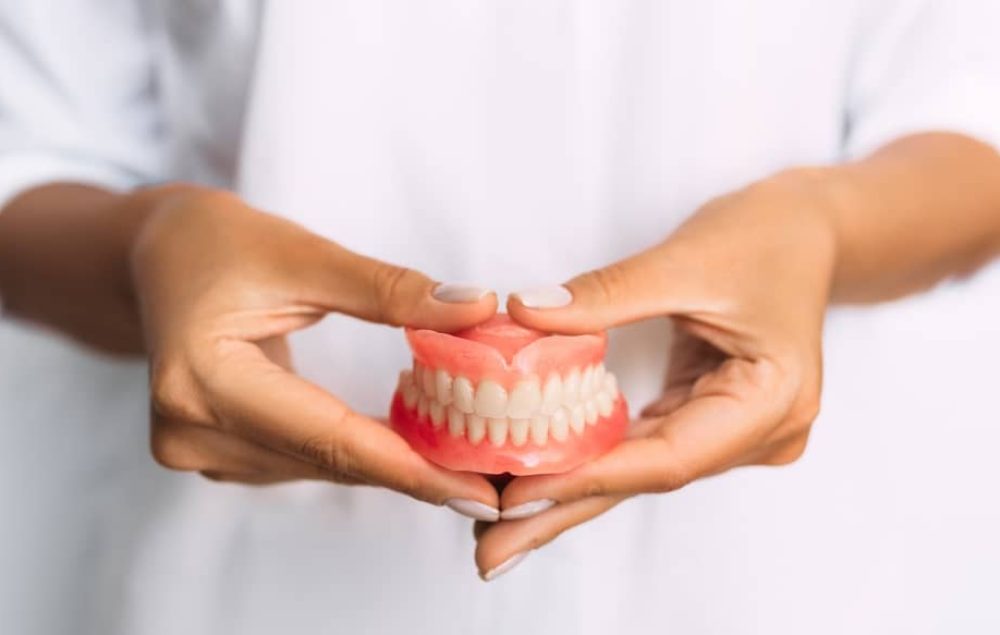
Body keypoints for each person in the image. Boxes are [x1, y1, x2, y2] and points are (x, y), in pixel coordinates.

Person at [1, 1, 999, 633]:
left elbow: (971, 123)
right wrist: (152, 249)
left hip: (802, 579)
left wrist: (822, 228)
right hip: (247, 584)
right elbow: (32, 157)